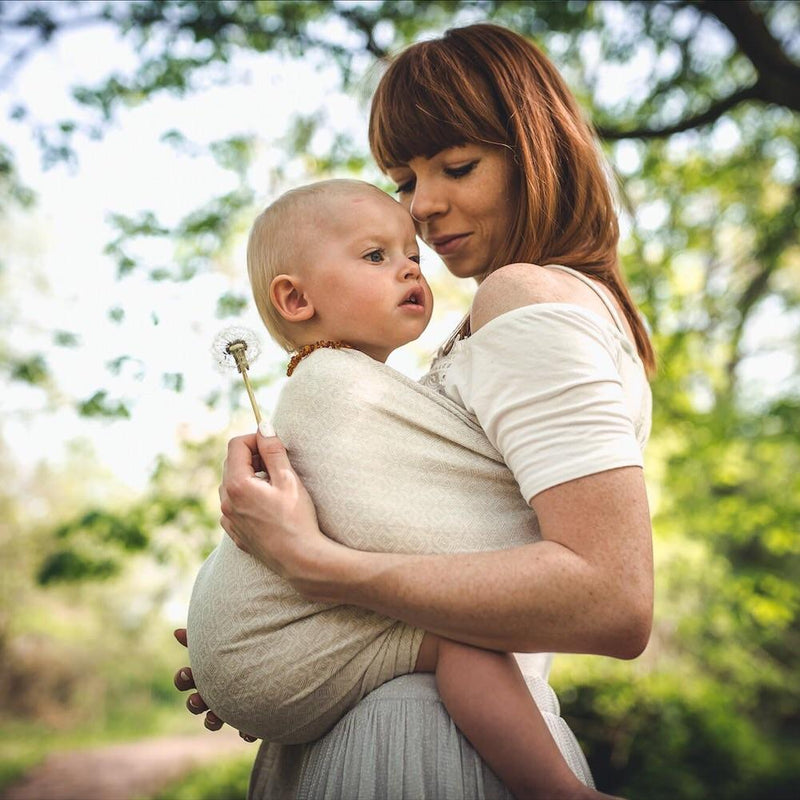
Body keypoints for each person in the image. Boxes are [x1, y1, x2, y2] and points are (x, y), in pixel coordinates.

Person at [175, 21, 655, 799]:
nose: (424, 208)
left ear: (536, 150)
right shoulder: (554, 312)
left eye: (456, 166)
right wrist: (274, 636)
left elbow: (612, 598)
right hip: (427, 724)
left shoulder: (524, 297)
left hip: (430, 743)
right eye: (403, 179)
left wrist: (316, 570)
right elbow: (452, 538)